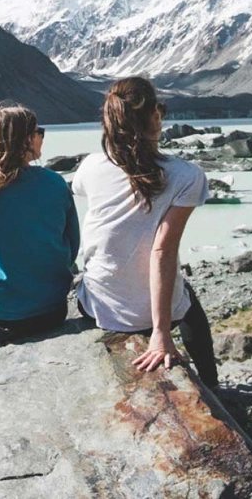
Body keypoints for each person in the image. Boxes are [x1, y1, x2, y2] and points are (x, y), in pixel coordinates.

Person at [71, 77, 219, 387]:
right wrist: (161, 333)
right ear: (155, 116)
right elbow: (162, 251)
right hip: (150, 316)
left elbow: (81, 190)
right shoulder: (187, 175)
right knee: (189, 301)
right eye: (160, 110)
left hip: (98, 307)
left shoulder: (90, 166)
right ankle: (212, 385)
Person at [0, 102, 80, 348]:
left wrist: (5, 292)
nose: (42, 138)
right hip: (51, 312)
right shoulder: (55, 184)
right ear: (24, 141)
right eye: (38, 132)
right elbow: (71, 244)